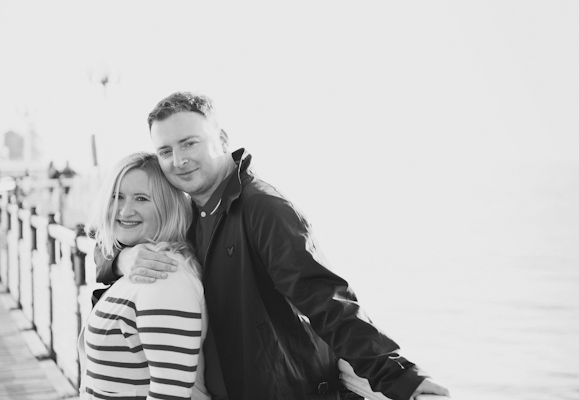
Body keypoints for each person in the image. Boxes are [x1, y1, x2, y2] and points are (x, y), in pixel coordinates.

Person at [96, 92, 451, 400]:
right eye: (166, 150)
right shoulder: (188, 212)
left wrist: (402, 377)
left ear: (220, 138)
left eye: (190, 143)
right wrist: (122, 260)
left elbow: (328, 301)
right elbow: (111, 238)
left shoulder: (263, 208)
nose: (179, 160)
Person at [80, 152, 210, 400]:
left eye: (141, 199)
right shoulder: (137, 266)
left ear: (166, 206)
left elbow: (169, 394)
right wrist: (120, 259)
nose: (125, 211)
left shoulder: (163, 276)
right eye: (117, 197)